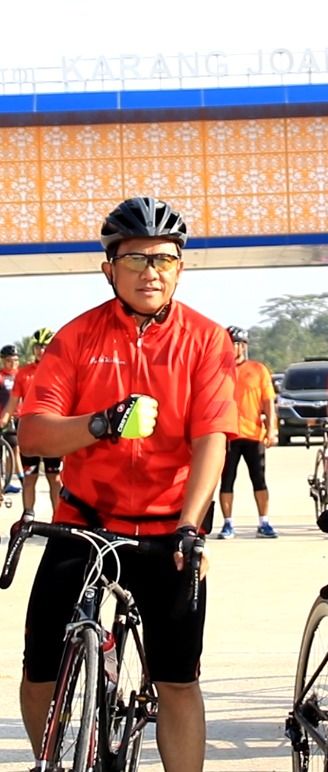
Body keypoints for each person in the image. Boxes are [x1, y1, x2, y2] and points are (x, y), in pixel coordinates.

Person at [16, 196, 238, 772]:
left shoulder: (206, 339)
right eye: (135, 259)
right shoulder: (77, 337)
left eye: (164, 259)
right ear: (109, 269)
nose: (150, 272)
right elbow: (33, 434)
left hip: (169, 527)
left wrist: (191, 525)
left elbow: (211, 438)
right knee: (38, 672)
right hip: (86, 523)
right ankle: (53, 760)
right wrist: (100, 423)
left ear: (180, 268)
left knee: (178, 680)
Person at [218, 325, 278, 539]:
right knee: (227, 480)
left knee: (259, 479)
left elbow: (268, 402)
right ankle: (228, 523)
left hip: (253, 434)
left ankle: (264, 522)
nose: (232, 348)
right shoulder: (217, 370)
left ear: (243, 346)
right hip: (227, 435)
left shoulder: (258, 370)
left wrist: (272, 429)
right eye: (228, 344)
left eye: (236, 344)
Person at [0, 328, 62, 515]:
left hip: (53, 430)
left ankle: (59, 518)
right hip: (29, 430)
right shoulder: (23, 373)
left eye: (44, 346)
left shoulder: (60, 370)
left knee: (54, 478)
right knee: (30, 477)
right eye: (37, 346)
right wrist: (2, 422)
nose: (40, 350)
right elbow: (12, 404)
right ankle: (27, 517)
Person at [0, 343, 24, 493]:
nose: (13, 363)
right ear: (3, 361)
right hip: (4, 418)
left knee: (15, 450)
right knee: (12, 449)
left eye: (15, 360)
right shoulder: (1, 377)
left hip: (20, 417)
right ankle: (20, 479)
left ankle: (10, 480)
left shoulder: (21, 375)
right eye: (9, 360)